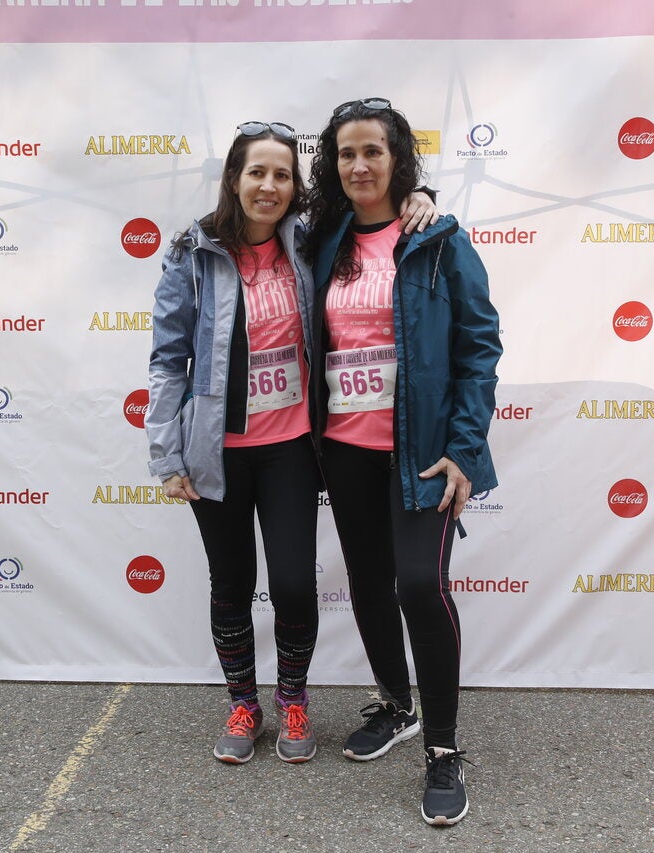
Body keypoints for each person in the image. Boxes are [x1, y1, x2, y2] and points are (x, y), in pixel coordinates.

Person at [146, 120, 436, 765]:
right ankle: (243, 703)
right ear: (233, 179)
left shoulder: (311, 243)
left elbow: (377, 212)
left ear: (296, 186)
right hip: (215, 451)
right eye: (257, 172)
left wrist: (425, 196)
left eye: (282, 174)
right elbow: (168, 359)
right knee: (230, 583)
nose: (269, 186)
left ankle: (294, 699)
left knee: (295, 588)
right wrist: (166, 455)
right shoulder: (193, 254)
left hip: (293, 447)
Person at [304, 98, 501, 824]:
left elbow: (480, 349)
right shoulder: (322, 240)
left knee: (420, 584)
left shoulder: (440, 240)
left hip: (423, 454)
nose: (360, 165)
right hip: (346, 449)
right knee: (366, 582)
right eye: (347, 153)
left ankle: (443, 748)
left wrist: (464, 451)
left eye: (374, 153)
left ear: (398, 162)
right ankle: (397, 704)